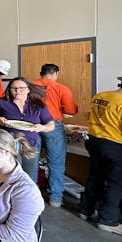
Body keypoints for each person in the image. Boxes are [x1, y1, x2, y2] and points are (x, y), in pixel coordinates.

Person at [79, 76, 122, 236]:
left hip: (95, 141)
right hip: (116, 145)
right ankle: (108, 220)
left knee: (95, 176)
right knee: (117, 183)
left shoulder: (101, 96)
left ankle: (86, 209)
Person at [0, 77, 54, 182]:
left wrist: (43, 127)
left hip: (30, 144)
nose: (18, 91)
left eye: (21, 88)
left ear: (28, 90)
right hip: (7, 144)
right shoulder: (1, 102)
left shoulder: (37, 104)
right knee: (9, 174)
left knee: (29, 175)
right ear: (10, 90)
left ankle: (27, 196)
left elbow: (51, 124)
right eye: (14, 88)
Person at [33, 63, 78, 207]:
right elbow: (70, 110)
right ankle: (55, 198)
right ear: (56, 74)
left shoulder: (29, 86)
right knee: (56, 162)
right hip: (53, 126)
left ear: (41, 73)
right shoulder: (61, 88)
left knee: (31, 160)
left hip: (33, 125)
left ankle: (30, 194)